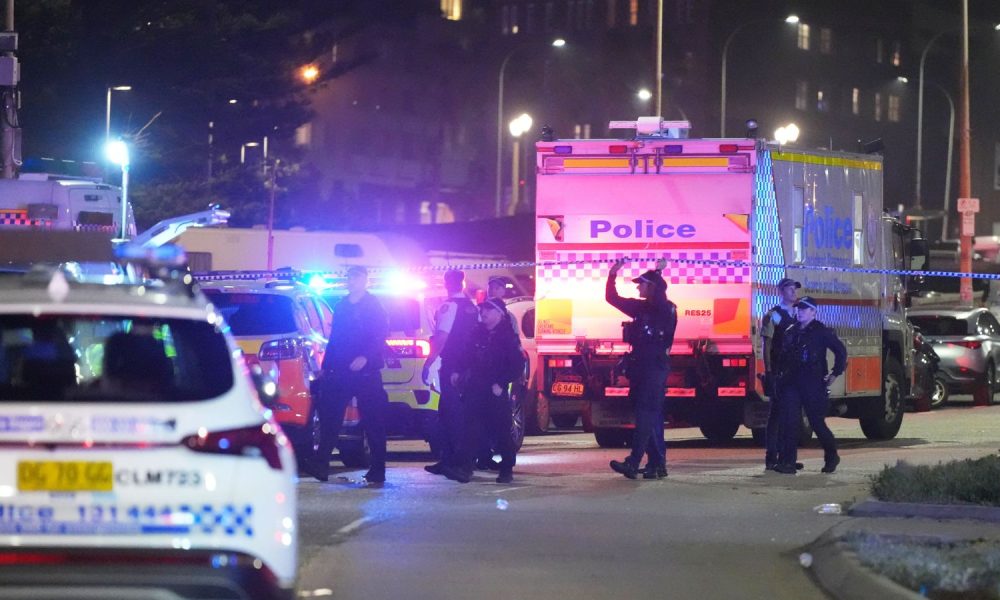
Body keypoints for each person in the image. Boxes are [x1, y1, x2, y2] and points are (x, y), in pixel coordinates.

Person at [314, 265, 390, 484]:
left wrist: (365, 357)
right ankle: (321, 465)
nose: (351, 280)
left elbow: (379, 336)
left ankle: (378, 470)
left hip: (367, 373)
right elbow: (335, 338)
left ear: (365, 280)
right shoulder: (342, 305)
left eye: (356, 277)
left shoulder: (374, 306)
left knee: (373, 421)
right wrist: (326, 367)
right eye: (349, 277)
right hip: (341, 370)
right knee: (331, 417)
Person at [605, 259, 677, 480]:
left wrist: (656, 274)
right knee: (648, 416)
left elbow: (659, 303)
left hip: (654, 368)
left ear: (652, 288)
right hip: (641, 368)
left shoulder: (665, 309)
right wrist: (612, 274)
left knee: (646, 415)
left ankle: (634, 461)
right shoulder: (643, 306)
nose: (637, 287)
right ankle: (657, 464)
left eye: (641, 284)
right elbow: (611, 298)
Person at [772, 296, 847, 475]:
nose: (800, 312)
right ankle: (788, 463)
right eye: (799, 309)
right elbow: (782, 356)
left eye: (805, 309)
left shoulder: (821, 331)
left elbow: (840, 351)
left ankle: (831, 456)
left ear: (813, 312)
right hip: (792, 383)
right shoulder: (791, 330)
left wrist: (835, 373)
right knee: (790, 422)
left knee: (816, 423)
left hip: (813, 384)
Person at [422, 269, 480, 483]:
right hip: (468, 367)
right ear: (463, 283)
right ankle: (449, 461)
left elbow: (442, 337)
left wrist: (428, 362)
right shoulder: (472, 308)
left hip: (452, 365)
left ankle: (457, 464)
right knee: (454, 414)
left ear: (447, 284)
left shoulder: (449, 306)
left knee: (451, 415)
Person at [468, 297, 525, 483]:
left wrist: (501, 383)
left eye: (488, 311)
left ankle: (506, 468)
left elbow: (517, 364)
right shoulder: (477, 334)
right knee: (474, 427)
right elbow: (466, 357)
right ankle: (471, 464)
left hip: (495, 390)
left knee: (501, 429)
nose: (483, 314)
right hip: (477, 388)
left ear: (499, 315)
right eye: (482, 310)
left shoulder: (508, 337)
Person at [759, 278, 802, 471]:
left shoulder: (799, 314)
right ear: (781, 292)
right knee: (776, 415)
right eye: (790, 289)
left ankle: (786, 457)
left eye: (795, 289)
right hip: (778, 370)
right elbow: (766, 344)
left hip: (794, 371)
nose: (794, 292)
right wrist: (768, 371)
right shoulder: (774, 315)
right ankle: (772, 457)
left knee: (790, 415)